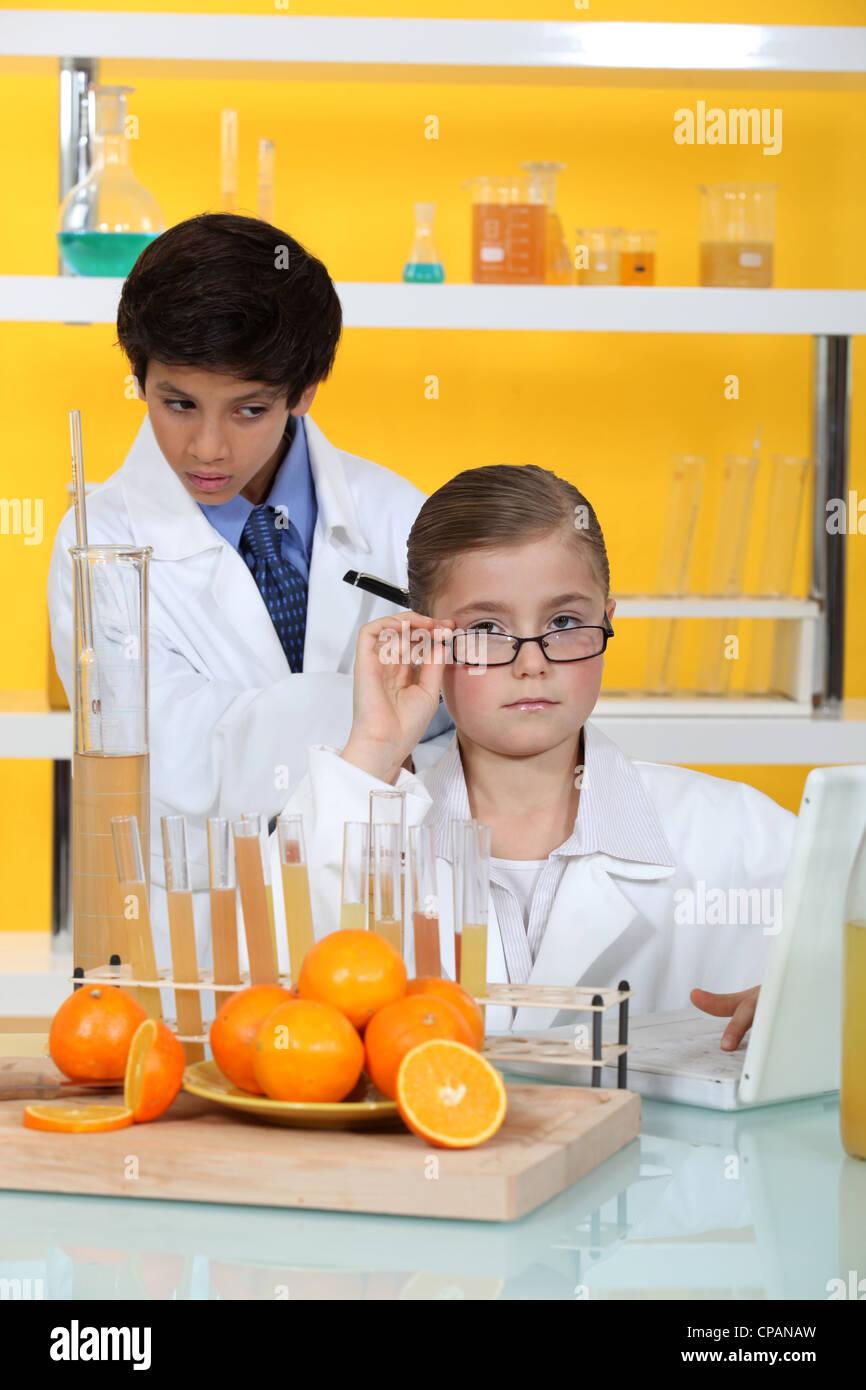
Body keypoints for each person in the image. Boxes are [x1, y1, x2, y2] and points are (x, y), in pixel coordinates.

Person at [47, 213, 452, 968]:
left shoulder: (401, 516)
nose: (207, 447)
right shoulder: (98, 547)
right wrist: (384, 723)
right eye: (177, 403)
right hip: (194, 959)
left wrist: (402, 728)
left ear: (303, 392)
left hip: (377, 938)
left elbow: (473, 745)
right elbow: (182, 760)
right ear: (139, 379)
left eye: (249, 410)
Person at [281, 463, 797, 1047]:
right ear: (428, 641)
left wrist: (825, 1001)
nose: (532, 661)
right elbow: (268, 983)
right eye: (487, 629)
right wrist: (375, 749)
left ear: (607, 621)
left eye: (564, 621)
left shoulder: (741, 836)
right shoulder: (356, 821)